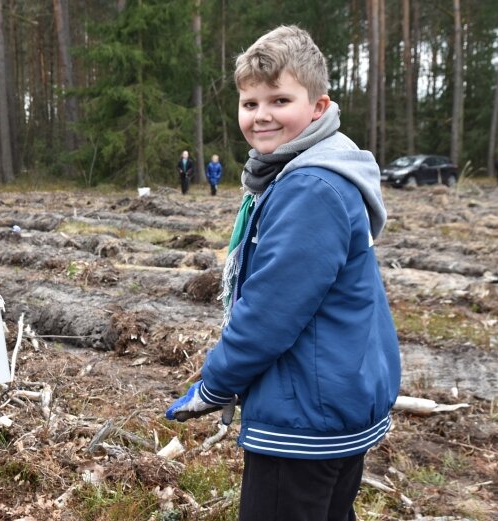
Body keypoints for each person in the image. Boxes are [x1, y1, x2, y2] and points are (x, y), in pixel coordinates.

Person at [166, 26, 400, 521]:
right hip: (332, 399)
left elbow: (270, 311)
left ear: (318, 107)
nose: (262, 115)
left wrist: (215, 385)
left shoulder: (310, 188)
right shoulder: (305, 173)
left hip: (305, 417)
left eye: (280, 99)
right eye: (250, 104)